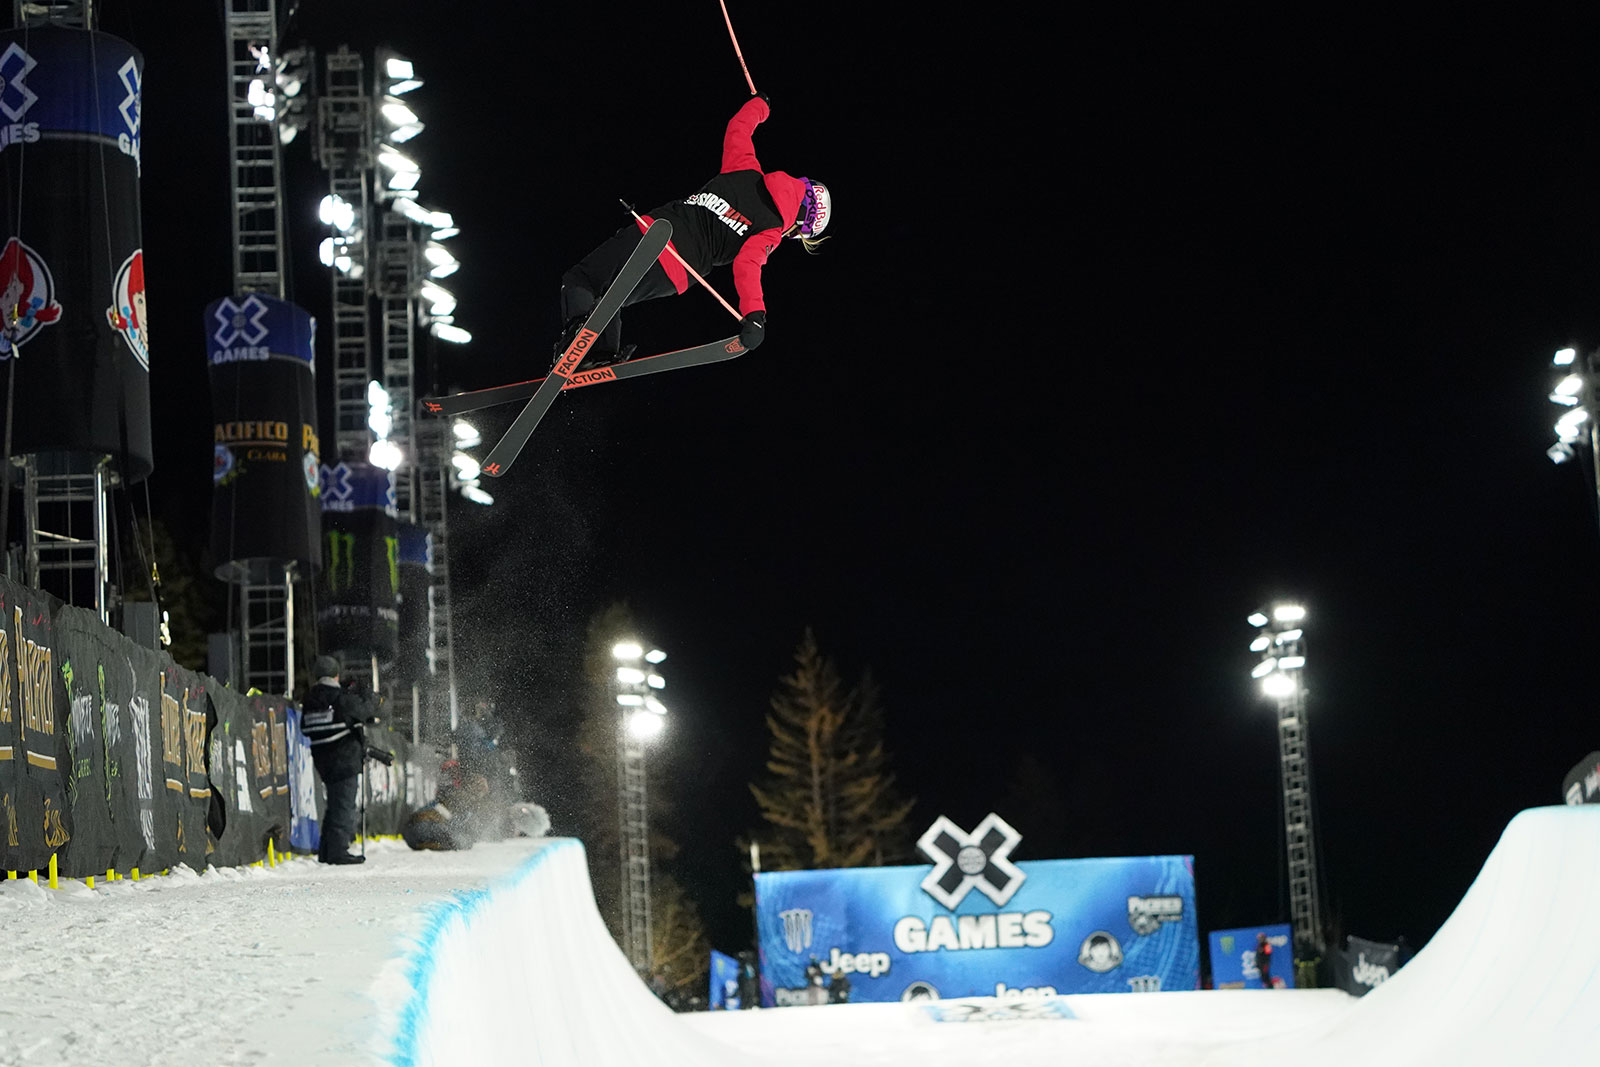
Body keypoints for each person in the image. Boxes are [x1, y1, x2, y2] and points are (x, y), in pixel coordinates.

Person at [556, 92, 831, 370]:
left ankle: (582, 345)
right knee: (606, 296)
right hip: (678, 271)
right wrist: (755, 315)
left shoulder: (745, 168)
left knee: (582, 279)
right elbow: (747, 265)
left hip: (656, 234)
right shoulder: (771, 230)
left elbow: (738, 128)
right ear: (799, 224)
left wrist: (759, 106)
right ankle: (598, 353)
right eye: (795, 234)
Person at [300, 655, 379, 864]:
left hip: (322, 759)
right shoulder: (340, 698)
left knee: (335, 804)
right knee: (344, 806)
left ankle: (326, 850)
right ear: (336, 675)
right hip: (344, 759)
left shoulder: (310, 699)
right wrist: (369, 696)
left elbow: (305, 728)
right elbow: (364, 711)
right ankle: (338, 851)